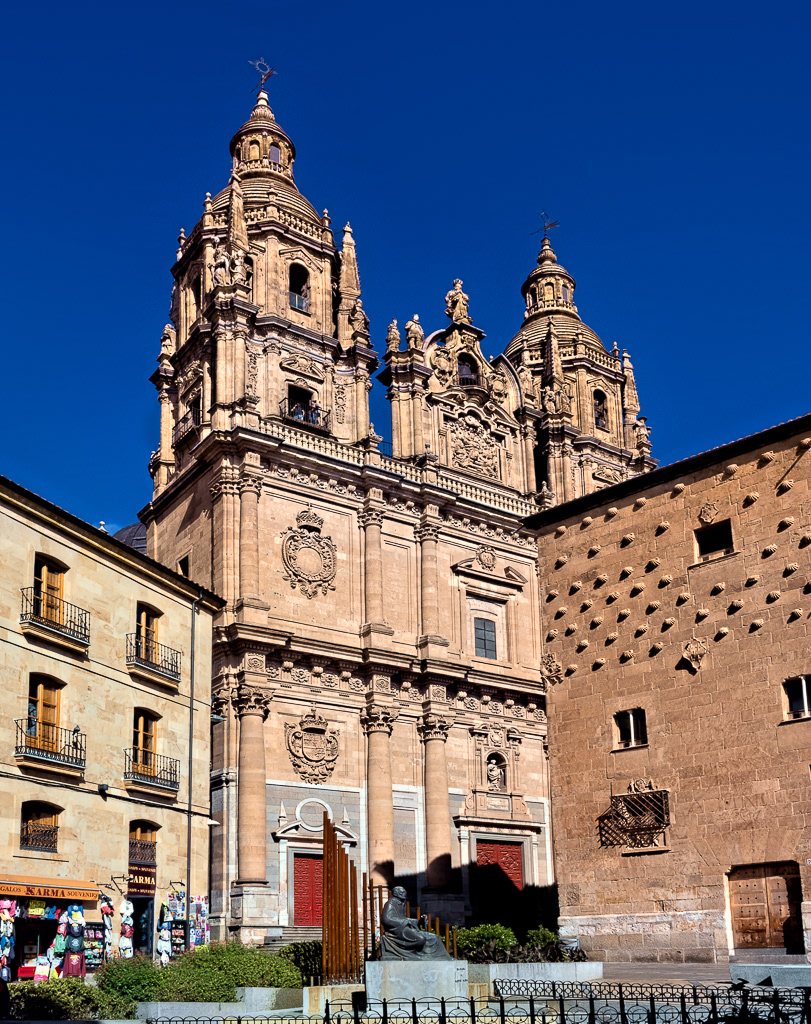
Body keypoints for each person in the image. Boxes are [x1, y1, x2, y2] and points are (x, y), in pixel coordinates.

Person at [379, 886, 453, 961]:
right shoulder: (391, 903)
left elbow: (404, 918)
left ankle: (445, 958)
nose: (405, 894)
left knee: (434, 937)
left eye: (405, 892)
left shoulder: (402, 904)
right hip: (398, 930)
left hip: (404, 927)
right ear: (395, 893)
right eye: (402, 892)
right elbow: (386, 919)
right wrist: (405, 922)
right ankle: (411, 954)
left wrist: (420, 921)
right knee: (420, 939)